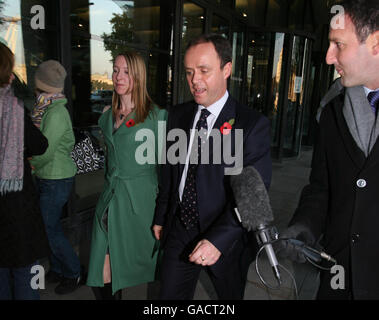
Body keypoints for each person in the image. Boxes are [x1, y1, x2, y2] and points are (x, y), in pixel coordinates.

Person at [152, 34, 272, 300]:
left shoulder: (251, 125)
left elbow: (254, 194)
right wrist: (162, 215)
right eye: (189, 72)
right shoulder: (178, 115)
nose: (195, 80)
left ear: (226, 69)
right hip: (180, 228)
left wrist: (218, 240)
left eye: (204, 71)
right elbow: (171, 173)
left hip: (227, 238)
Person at [276, 0, 379, 299]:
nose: (329, 56)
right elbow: (321, 187)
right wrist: (305, 225)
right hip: (339, 278)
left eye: (338, 44)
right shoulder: (332, 110)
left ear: (374, 42)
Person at [86, 51, 167, 300]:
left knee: (149, 267)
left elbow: (167, 168)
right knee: (101, 274)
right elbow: (110, 158)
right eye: (116, 70)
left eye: (126, 71)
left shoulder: (157, 117)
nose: (118, 76)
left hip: (140, 204)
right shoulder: (106, 117)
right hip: (110, 203)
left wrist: (165, 212)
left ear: (138, 76)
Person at [0, 42, 50, 300]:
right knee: (24, 272)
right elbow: (40, 144)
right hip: (16, 209)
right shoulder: (13, 108)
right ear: (8, 74)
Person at [29, 60, 82, 295]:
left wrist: (28, 165)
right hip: (48, 176)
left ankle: (73, 272)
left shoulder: (56, 111)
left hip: (55, 178)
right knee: (48, 227)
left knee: (49, 229)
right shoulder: (46, 108)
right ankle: (60, 269)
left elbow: (44, 150)